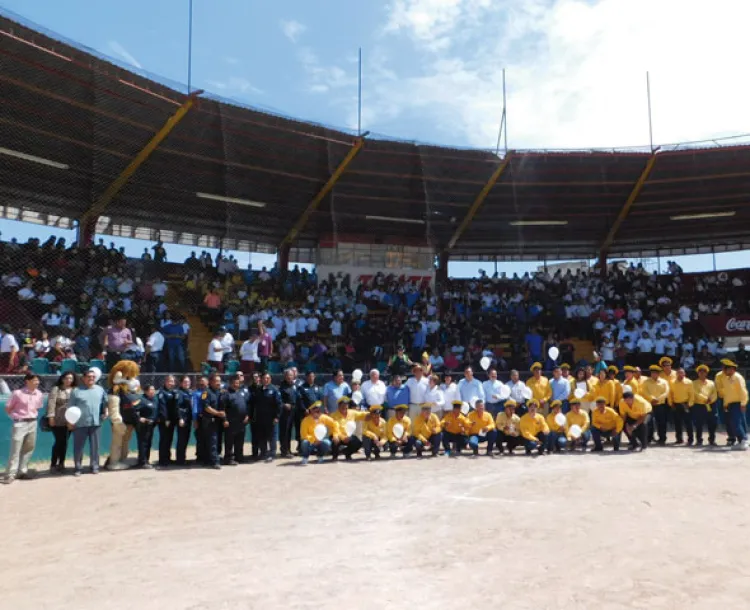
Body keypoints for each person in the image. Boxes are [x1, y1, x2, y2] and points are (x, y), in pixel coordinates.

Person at [3, 373, 43, 484]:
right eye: (35, 380)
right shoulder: (17, 393)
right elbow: (8, 408)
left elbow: (37, 408)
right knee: (15, 449)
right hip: (20, 423)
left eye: (38, 380)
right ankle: (10, 474)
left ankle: (22, 471)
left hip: (33, 423)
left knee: (29, 448)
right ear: (27, 381)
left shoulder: (39, 394)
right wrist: (15, 419)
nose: (37, 382)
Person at [69, 368, 109, 476]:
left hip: (96, 423)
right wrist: (71, 422)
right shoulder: (76, 391)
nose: (91, 379)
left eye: (93, 377)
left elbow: (105, 402)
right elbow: (70, 407)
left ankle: (94, 466)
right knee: (78, 447)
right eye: (89, 377)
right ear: (83, 378)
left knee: (95, 447)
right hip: (80, 424)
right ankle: (78, 468)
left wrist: (106, 411)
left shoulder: (100, 389)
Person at [47, 371, 76, 473]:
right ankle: (53, 464)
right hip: (58, 420)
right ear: (62, 379)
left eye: (71, 378)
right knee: (59, 441)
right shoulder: (56, 389)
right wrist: (51, 417)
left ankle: (61, 463)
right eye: (67, 378)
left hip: (70, 421)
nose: (69, 380)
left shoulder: (75, 390)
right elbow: (51, 403)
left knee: (65, 442)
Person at [719, 358, 749, 451]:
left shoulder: (737, 377)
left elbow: (743, 391)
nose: (723, 370)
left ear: (732, 369)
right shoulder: (727, 379)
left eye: (725, 368)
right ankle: (741, 441)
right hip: (730, 404)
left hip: (737, 403)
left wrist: (743, 403)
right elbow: (728, 393)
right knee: (734, 423)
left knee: (736, 423)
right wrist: (725, 404)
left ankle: (743, 440)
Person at [221, 374, 250, 465]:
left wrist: (247, 416)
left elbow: (246, 405)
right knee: (229, 442)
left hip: (242, 422)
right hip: (231, 422)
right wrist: (224, 420)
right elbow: (222, 408)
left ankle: (239, 457)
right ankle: (228, 459)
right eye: (234, 383)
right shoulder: (226, 394)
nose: (236, 385)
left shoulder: (241, 393)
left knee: (240, 441)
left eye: (237, 383)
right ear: (230, 383)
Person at [198, 374, 225, 469]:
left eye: (219, 381)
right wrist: (217, 413)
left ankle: (210, 459)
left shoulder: (219, 392)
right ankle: (214, 461)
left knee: (216, 441)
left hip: (218, 421)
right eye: (216, 381)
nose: (219, 383)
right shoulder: (206, 392)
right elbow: (206, 407)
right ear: (211, 382)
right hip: (209, 421)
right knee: (212, 441)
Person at [254, 372, 282, 462]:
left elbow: (279, 405)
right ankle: (263, 453)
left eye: (267, 378)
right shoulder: (258, 389)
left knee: (272, 437)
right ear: (261, 379)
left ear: (270, 379)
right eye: (264, 378)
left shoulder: (274, 390)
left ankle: (272, 454)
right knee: (262, 436)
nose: (266, 380)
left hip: (271, 418)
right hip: (260, 418)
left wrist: (277, 417)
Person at [299, 400, 338, 465]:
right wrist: (314, 440)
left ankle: (320, 456)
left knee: (327, 443)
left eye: (318, 409)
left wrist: (335, 435)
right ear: (310, 410)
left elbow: (335, 424)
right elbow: (304, 435)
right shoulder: (305, 420)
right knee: (304, 442)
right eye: (314, 409)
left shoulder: (324, 417)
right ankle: (305, 458)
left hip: (321, 441)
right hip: (310, 442)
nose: (317, 410)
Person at [329, 396, 367, 461]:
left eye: (346, 406)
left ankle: (347, 453)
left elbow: (362, 414)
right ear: (338, 406)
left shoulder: (352, 412)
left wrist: (371, 413)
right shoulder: (333, 415)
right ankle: (335, 456)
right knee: (335, 439)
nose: (344, 408)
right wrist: (343, 437)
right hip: (337, 435)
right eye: (342, 406)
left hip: (348, 436)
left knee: (358, 442)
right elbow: (335, 429)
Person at [641, 365, 671, 445]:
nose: (653, 374)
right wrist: (652, 399)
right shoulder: (646, 382)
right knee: (649, 422)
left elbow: (666, 392)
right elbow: (644, 391)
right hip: (650, 405)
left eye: (655, 373)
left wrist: (658, 399)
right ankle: (649, 438)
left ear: (658, 374)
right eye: (652, 373)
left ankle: (662, 438)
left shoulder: (664, 382)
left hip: (660, 405)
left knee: (661, 422)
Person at [692, 364, 718, 446]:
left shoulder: (711, 383)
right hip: (699, 406)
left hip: (710, 405)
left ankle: (712, 440)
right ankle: (699, 440)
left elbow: (715, 393)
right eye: (700, 372)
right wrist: (705, 399)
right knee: (698, 424)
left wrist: (711, 400)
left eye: (704, 372)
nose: (702, 373)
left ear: (706, 373)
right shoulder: (694, 383)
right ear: (698, 373)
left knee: (712, 423)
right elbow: (695, 393)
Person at [133, 384, 158, 469]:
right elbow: (133, 409)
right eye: (151, 389)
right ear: (146, 391)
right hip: (143, 425)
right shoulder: (141, 399)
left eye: (154, 389)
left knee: (148, 443)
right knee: (143, 443)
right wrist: (139, 418)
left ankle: (146, 460)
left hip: (151, 425)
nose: (153, 391)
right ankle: (142, 462)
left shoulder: (154, 399)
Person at [278, 368, 301, 458]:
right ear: (285, 376)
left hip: (294, 412)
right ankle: (284, 451)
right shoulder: (281, 387)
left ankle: (289, 450)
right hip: (285, 413)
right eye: (288, 375)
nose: (289, 377)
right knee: (285, 432)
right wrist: (284, 405)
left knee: (290, 432)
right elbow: (278, 400)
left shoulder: (294, 385)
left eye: (291, 375)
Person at [670, 367, 695, 445]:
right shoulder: (672, 382)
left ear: (684, 373)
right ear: (676, 374)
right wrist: (671, 404)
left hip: (686, 404)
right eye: (678, 373)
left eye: (682, 372)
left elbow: (692, 394)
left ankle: (690, 440)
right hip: (676, 404)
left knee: (688, 423)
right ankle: (679, 439)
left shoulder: (689, 382)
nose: (680, 374)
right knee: (677, 423)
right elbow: (670, 394)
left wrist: (689, 404)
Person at [157, 375, 178, 467]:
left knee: (169, 439)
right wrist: (165, 419)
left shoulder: (173, 392)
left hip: (172, 421)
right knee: (164, 440)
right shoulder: (162, 392)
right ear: (165, 382)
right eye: (170, 381)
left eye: (173, 381)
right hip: (165, 421)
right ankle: (162, 460)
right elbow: (162, 407)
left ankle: (168, 458)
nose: (171, 383)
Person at [175, 376, 193, 465]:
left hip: (189, 419)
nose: (187, 383)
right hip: (183, 420)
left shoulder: (189, 392)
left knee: (186, 439)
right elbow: (177, 407)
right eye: (185, 382)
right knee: (182, 440)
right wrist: (180, 418)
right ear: (181, 383)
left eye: (188, 382)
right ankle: (180, 459)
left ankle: (183, 458)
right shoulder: (179, 393)